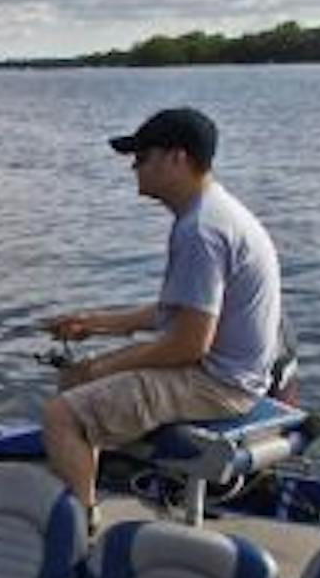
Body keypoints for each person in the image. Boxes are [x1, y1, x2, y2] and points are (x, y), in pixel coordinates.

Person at [40, 107, 282, 534]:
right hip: (234, 375)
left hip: (218, 385)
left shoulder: (201, 230)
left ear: (177, 158)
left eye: (142, 156)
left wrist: (102, 366)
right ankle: (83, 490)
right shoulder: (214, 212)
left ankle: (78, 530)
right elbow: (178, 312)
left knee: (62, 414)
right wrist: (94, 323)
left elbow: (190, 344)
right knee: (76, 381)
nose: (134, 167)